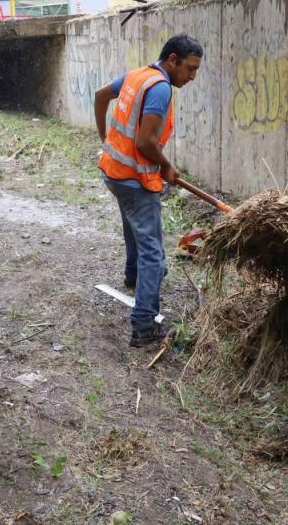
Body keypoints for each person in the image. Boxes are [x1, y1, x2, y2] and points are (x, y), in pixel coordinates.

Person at [94, 34, 204, 347]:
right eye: (190, 69)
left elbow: (101, 96)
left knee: (133, 227)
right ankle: (143, 326)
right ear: (172, 60)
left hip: (113, 171)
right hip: (134, 178)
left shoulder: (137, 75)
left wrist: (107, 141)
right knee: (154, 254)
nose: (192, 77)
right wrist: (167, 166)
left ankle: (133, 276)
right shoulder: (159, 88)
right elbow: (144, 142)